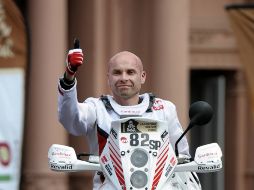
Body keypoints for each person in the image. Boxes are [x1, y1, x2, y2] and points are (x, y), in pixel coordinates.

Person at [58, 47, 190, 189]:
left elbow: (182, 158)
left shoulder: (164, 109)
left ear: (142, 76)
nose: (124, 78)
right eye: (117, 73)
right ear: (108, 78)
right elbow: (71, 119)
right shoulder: (96, 108)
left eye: (130, 72)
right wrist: (69, 76)